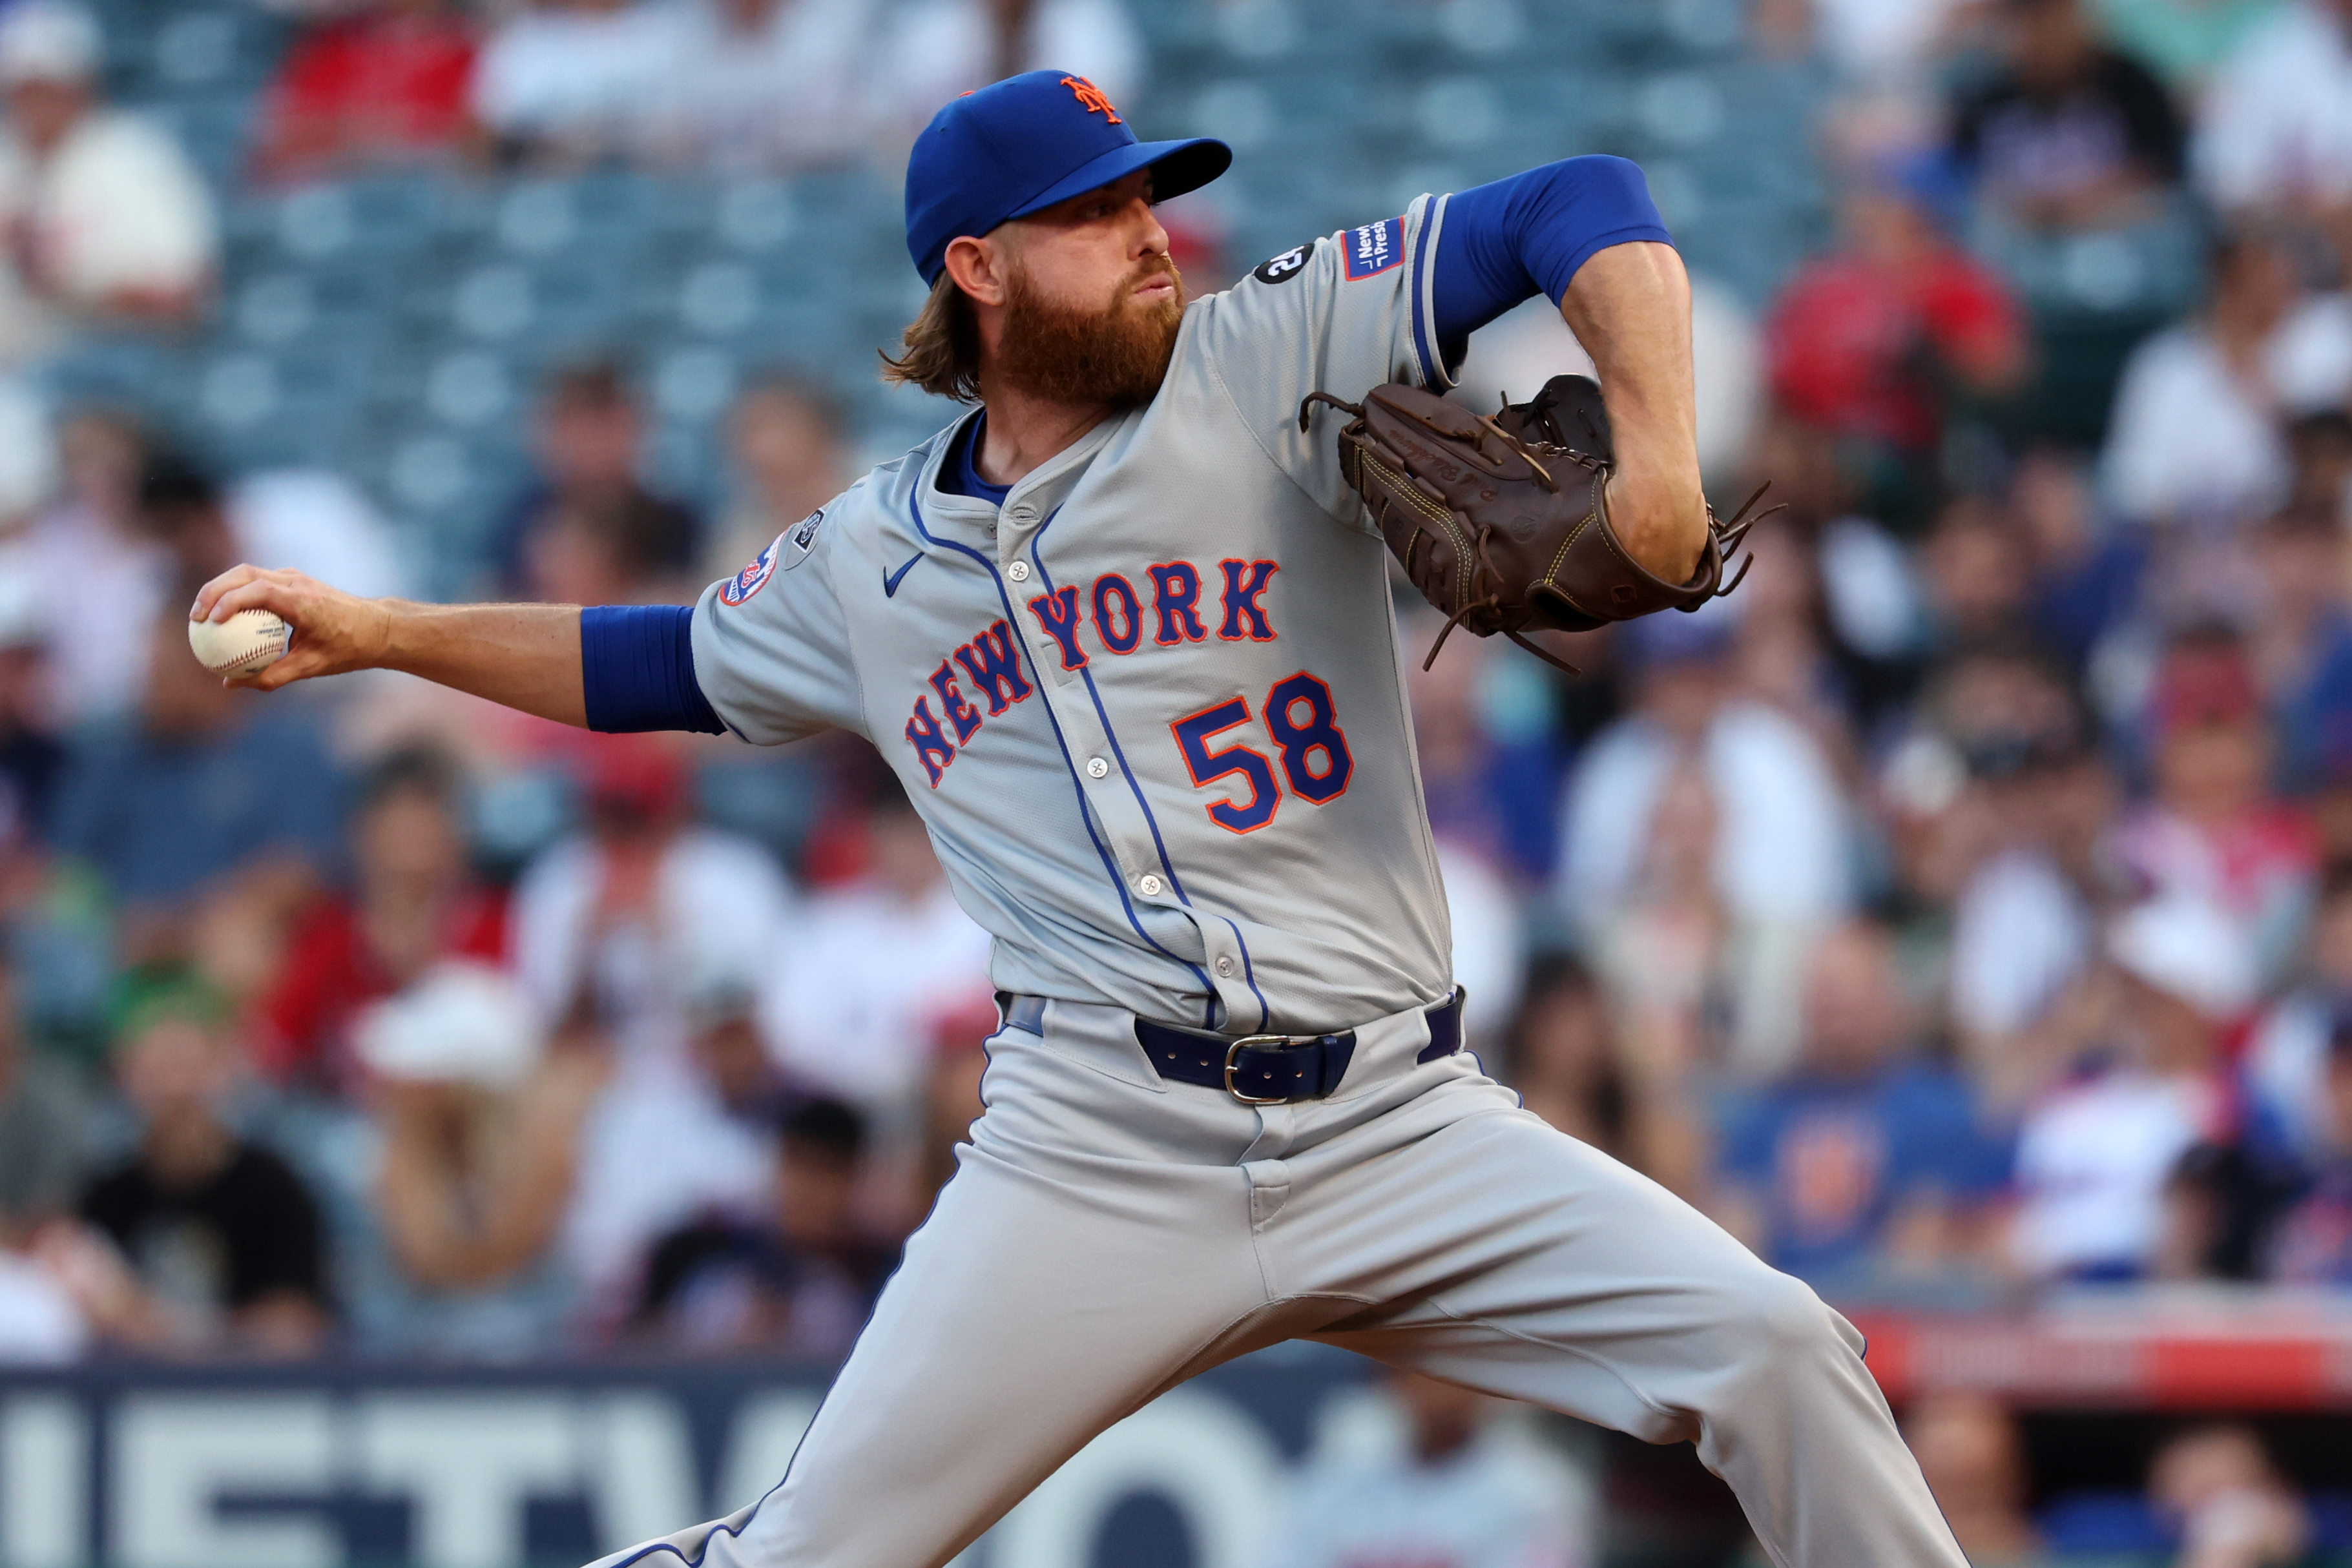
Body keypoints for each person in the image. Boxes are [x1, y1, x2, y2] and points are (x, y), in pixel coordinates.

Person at [195, 70, 1975, 1568]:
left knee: (1781, 1349)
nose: (1150, 239)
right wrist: (381, 632)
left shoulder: (1265, 353)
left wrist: (1657, 458)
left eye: (1150, 203)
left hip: (1403, 1120)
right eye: (1098, 216)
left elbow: (1572, 200)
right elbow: (659, 660)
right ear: (978, 267)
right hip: (1097, 1149)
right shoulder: (868, 559)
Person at [1712, 923, 2011, 1295]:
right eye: (1824, 994)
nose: (1835, 1010)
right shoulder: (1763, 1114)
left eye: (1850, 993)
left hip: (1889, 1319)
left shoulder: (1941, 1113)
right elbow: (1735, 1230)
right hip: (1784, 1317)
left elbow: (1930, 1243)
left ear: (1890, 1000)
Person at [76, 975, 332, 1356]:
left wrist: (171, 1331)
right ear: (126, 1078)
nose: (176, 1089)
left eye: (190, 1067)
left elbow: (295, 1321)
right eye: (158, 1071)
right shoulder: (105, 1197)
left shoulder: (274, 1189)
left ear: (223, 1070)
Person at [258, 746, 510, 1099]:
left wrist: (424, 969)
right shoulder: (333, 933)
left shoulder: (495, 923)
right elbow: (276, 1048)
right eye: (396, 823)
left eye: (425, 820)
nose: (410, 839)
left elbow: (514, 1036)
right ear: (363, 836)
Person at [0, 0, 216, 364]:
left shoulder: (134, 156)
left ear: (84, 85)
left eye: (49, 88)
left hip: (107, 366)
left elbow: (186, 300)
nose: (36, 104)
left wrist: (67, 282)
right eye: (25, 89)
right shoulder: (8, 155)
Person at [632, 1095, 899, 1358]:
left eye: (831, 1170)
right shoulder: (696, 1248)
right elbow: (627, 1345)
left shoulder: (883, 1273)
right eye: (798, 1164)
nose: (810, 1189)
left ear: (856, 1179)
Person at [1249, 1368, 1597, 1568]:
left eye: (1453, 1372)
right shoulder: (1335, 1478)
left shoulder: (1535, 1492)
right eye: (1421, 1372)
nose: (1435, 1389)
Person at [497, 360, 700, 603]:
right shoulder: (522, 522)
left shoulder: (675, 523)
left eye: (603, 426)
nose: (591, 443)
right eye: (577, 427)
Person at [249, 0, 481, 182]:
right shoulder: (333, 44)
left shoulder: (469, 48)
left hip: (419, 192)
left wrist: (354, 131)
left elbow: (471, 141)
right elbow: (279, 141)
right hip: (328, 195)